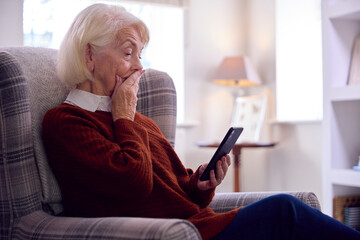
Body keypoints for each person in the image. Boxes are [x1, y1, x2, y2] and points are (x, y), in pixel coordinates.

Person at [42, 3, 360, 240]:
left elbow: (176, 190)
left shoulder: (140, 121)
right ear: (89, 57)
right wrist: (123, 117)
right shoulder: (66, 122)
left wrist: (201, 185)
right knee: (285, 210)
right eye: (128, 53)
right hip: (174, 234)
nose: (140, 68)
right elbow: (133, 185)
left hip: (198, 225)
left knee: (289, 208)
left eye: (141, 55)